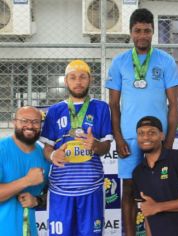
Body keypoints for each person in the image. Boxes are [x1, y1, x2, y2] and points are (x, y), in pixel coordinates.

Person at [105, 8, 178, 236]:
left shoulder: (166, 61)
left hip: (158, 139)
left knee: (160, 189)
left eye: (147, 31)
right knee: (128, 189)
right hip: (129, 138)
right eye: (137, 31)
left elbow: (174, 105)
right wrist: (118, 138)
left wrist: (168, 142)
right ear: (130, 32)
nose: (142, 36)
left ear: (153, 32)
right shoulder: (119, 62)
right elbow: (114, 105)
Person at [40, 60, 113, 236]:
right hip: (60, 189)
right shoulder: (55, 110)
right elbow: (47, 148)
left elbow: (106, 146)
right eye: (72, 77)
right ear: (66, 81)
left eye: (82, 77)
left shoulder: (101, 108)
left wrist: (96, 146)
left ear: (90, 80)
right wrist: (52, 156)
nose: (78, 81)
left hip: (91, 188)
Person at [133, 116, 178, 236]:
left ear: (162, 136)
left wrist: (159, 207)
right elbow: (147, 213)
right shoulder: (138, 173)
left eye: (152, 133)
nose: (146, 137)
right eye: (141, 133)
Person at [0, 106, 49, 236]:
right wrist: (26, 181)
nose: (30, 126)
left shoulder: (44, 155)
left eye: (35, 122)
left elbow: (52, 195)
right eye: (24, 121)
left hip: (29, 231)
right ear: (14, 122)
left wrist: (37, 201)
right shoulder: (1, 150)